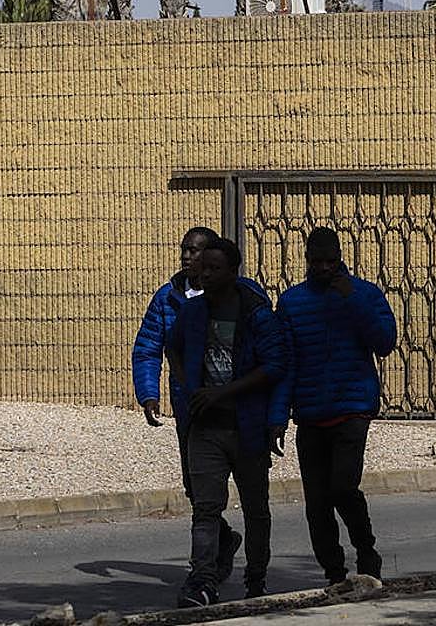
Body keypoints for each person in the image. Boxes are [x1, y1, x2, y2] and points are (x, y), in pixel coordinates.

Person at [166, 237, 291, 607]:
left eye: (213, 268)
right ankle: (202, 579)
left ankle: (256, 577)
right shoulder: (192, 313)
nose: (204, 274)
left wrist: (227, 393)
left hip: (247, 426)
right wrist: (187, 385)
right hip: (205, 425)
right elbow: (170, 344)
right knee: (206, 508)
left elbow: (274, 366)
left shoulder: (256, 315)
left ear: (232, 272)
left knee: (255, 508)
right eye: (202, 268)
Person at [275, 227, 397, 585]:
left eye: (331, 262)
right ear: (307, 261)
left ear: (341, 258)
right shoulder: (292, 303)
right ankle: (334, 573)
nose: (325, 269)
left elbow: (384, 342)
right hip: (311, 413)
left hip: (353, 407)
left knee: (343, 487)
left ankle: (366, 550)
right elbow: (287, 364)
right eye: (317, 262)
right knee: (317, 503)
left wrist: (353, 302)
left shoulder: (364, 294)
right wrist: (278, 416)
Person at [131, 227, 244, 583]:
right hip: (190, 408)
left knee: (242, 491)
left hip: (233, 407)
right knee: (196, 487)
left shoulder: (236, 297)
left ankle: (237, 572)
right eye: (184, 250)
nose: (187, 257)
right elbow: (149, 346)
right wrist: (148, 392)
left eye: (195, 251)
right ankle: (221, 543)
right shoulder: (169, 298)